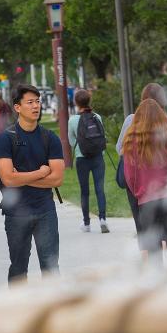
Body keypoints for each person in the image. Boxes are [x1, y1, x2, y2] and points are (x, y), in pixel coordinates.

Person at [0, 85, 64, 283]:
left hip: (45, 210)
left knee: (51, 266)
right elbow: (8, 179)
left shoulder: (49, 137)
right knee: (18, 267)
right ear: (17, 107)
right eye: (30, 102)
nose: (36, 106)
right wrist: (41, 173)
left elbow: (57, 179)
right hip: (16, 212)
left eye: (38, 101)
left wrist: (22, 178)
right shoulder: (5, 139)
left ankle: (55, 312)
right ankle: (20, 312)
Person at [122, 98, 167, 263]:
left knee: (154, 250)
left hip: (147, 200)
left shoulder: (130, 141)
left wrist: (138, 192)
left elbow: (130, 175)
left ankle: (159, 284)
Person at [116, 83, 167, 234]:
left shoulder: (131, 120)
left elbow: (120, 149)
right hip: (162, 184)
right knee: (165, 230)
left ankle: (147, 255)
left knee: (142, 228)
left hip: (136, 183)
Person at [68, 89, 109, 233]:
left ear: (76, 102)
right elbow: (101, 136)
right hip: (98, 157)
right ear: (89, 101)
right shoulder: (96, 117)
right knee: (100, 189)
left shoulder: (72, 120)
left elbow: (72, 141)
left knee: (84, 191)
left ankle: (86, 224)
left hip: (82, 159)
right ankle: (103, 219)